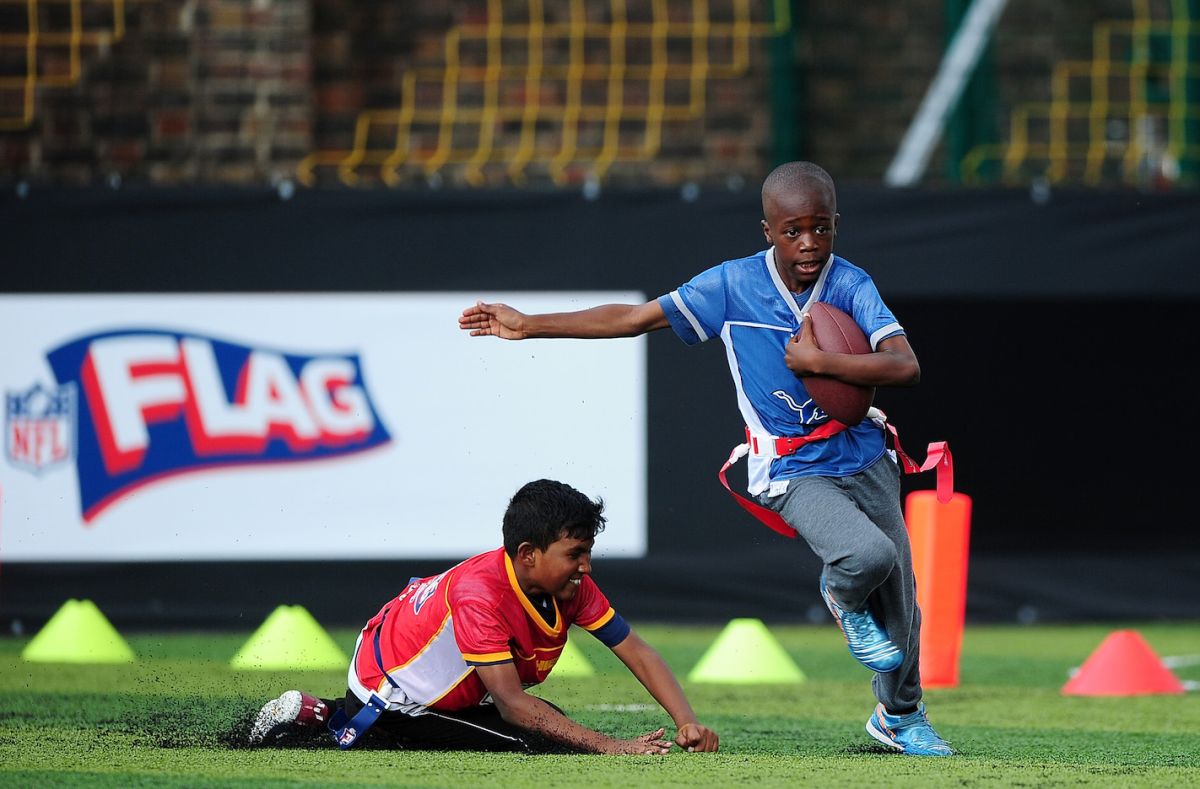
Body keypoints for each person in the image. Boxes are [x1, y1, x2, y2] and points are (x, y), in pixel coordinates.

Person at [457, 161, 953, 757]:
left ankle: (898, 717)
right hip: (791, 468)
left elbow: (905, 366)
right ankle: (841, 596)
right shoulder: (731, 285)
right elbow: (634, 319)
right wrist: (531, 324)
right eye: (792, 230)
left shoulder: (850, 284)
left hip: (866, 459)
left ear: (836, 226)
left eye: (821, 229)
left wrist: (820, 364)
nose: (808, 244)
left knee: (902, 609)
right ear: (766, 230)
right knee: (864, 557)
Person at [249, 479, 719, 755]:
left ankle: (323, 711)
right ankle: (344, 726)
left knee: (550, 721)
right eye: (576, 553)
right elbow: (514, 706)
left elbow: (635, 650)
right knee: (533, 740)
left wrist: (687, 721)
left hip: (389, 665)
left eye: (588, 552)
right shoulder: (482, 596)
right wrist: (614, 747)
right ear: (528, 554)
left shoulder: (565, 583)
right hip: (394, 695)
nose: (586, 566)